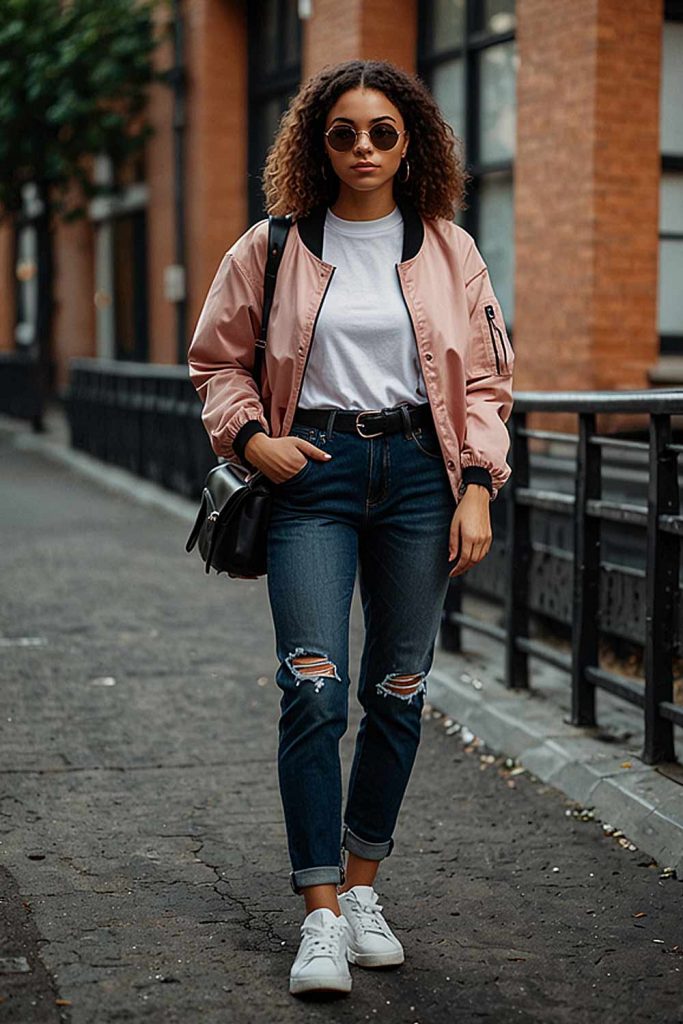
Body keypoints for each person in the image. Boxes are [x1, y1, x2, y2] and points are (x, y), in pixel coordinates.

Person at [187, 58, 515, 998]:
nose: (363, 148)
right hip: (313, 481)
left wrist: (478, 486)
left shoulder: (451, 250)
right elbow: (216, 362)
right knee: (315, 692)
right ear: (315, 142)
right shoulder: (275, 243)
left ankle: (365, 889)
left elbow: (489, 381)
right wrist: (254, 440)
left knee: (398, 692)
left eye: (381, 131)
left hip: (421, 480)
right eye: (343, 132)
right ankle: (321, 915)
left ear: (409, 141)